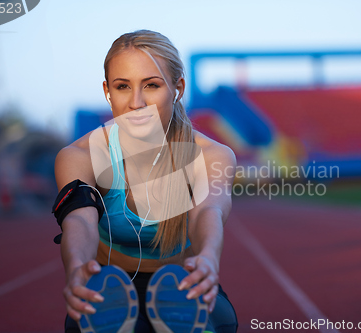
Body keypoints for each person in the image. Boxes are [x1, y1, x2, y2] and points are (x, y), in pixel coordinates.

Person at [53, 29, 238, 333]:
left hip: (181, 285)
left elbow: (210, 210)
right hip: (112, 291)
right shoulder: (80, 156)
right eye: (123, 86)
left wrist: (207, 259)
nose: (136, 103)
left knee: (212, 320)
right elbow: (80, 222)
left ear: (177, 88)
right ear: (107, 91)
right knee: (94, 319)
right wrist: (76, 268)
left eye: (151, 85)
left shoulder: (211, 156)